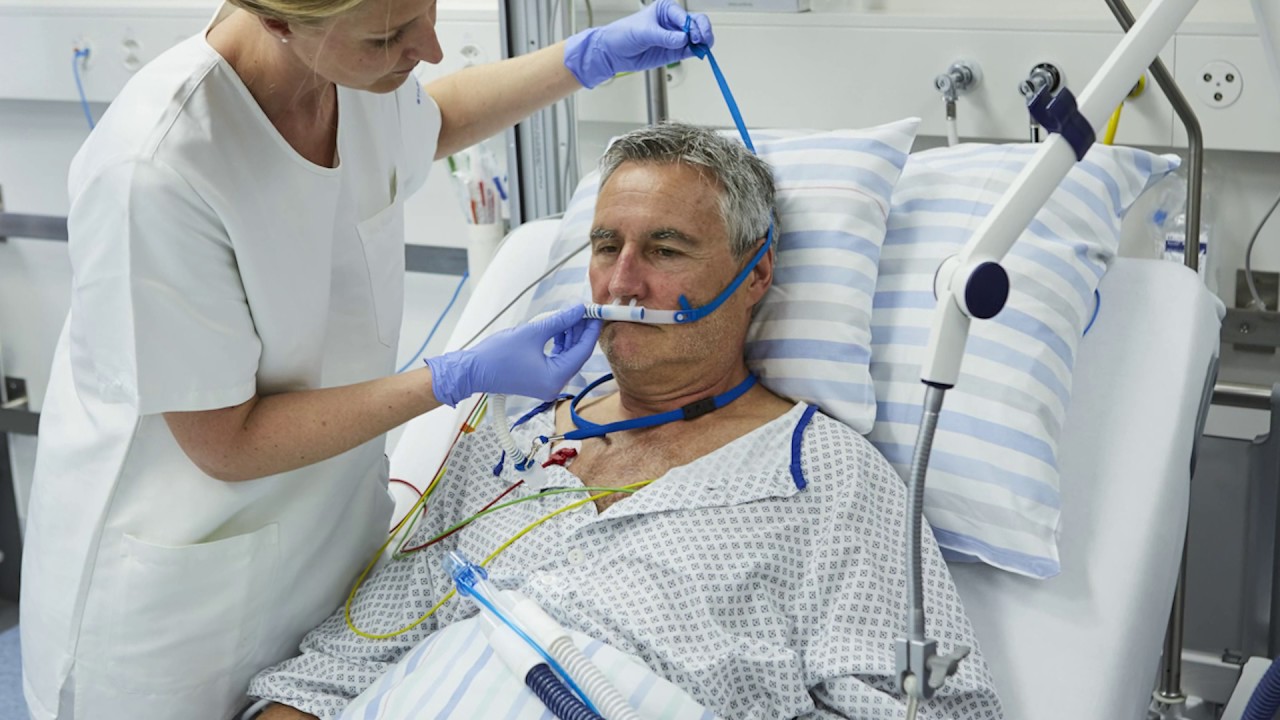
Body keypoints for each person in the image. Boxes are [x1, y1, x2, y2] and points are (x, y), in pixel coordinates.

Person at [19, 2, 715, 718]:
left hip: (329, 555)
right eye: (389, 37)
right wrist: (452, 379)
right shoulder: (157, 170)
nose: (431, 49)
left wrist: (586, 59)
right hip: (177, 595)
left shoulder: (345, 73)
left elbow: (429, 122)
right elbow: (226, 443)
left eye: (427, 10)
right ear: (279, 22)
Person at [246, 123, 1004, 720]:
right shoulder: (508, 445)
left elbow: (931, 707)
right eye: (606, 246)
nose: (621, 281)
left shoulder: (828, 478)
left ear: (756, 274)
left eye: (665, 250)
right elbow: (336, 669)